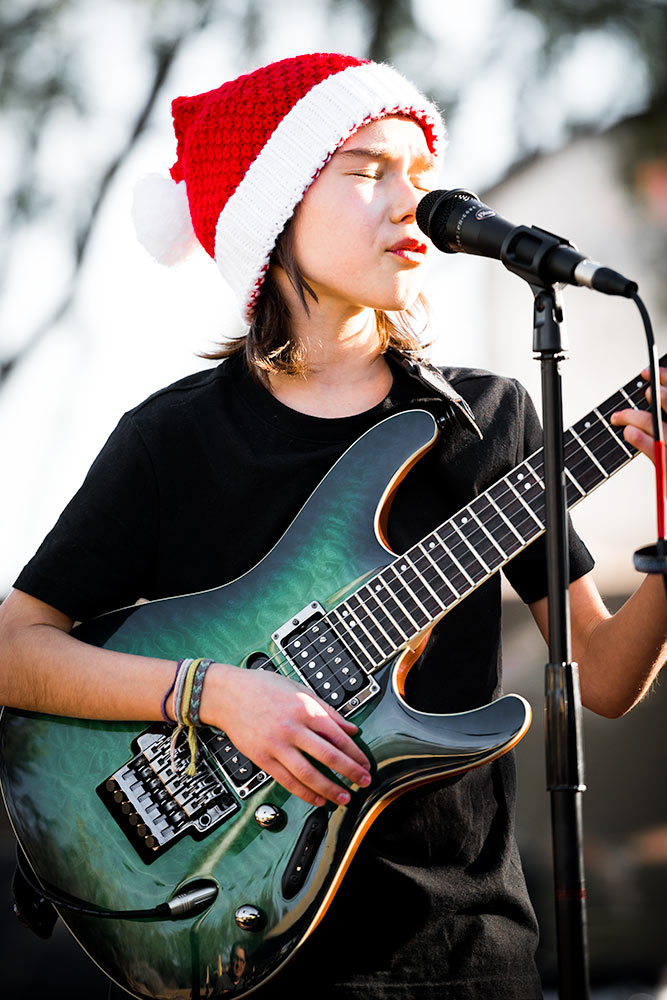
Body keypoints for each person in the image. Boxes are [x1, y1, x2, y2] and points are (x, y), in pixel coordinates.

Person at [0, 52, 665, 1000]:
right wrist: (216, 695)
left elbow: (599, 677)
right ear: (275, 216)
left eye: (420, 176)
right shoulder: (173, 439)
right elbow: (14, 649)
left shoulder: (490, 419)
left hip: (471, 961)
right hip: (257, 954)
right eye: (366, 171)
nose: (412, 203)